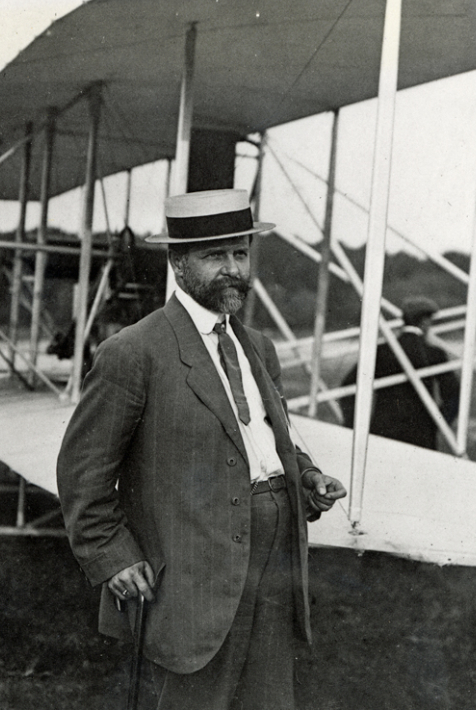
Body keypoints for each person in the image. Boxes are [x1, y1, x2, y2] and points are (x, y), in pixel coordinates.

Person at [56, 188, 346, 710]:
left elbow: (263, 439)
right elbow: (83, 473)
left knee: (267, 702)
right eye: (215, 255)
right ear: (178, 264)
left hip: (275, 568)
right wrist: (110, 555)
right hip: (194, 578)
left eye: (240, 253)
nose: (233, 269)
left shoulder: (257, 345)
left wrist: (306, 478)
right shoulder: (134, 352)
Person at [340, 296, 460, 450]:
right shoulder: (434, 353)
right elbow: (454, 395)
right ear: (425, 321)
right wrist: (436, 424)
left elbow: (348, 387)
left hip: (382, 432)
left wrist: (354, 424)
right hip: (421, 434)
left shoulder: (383, 351)